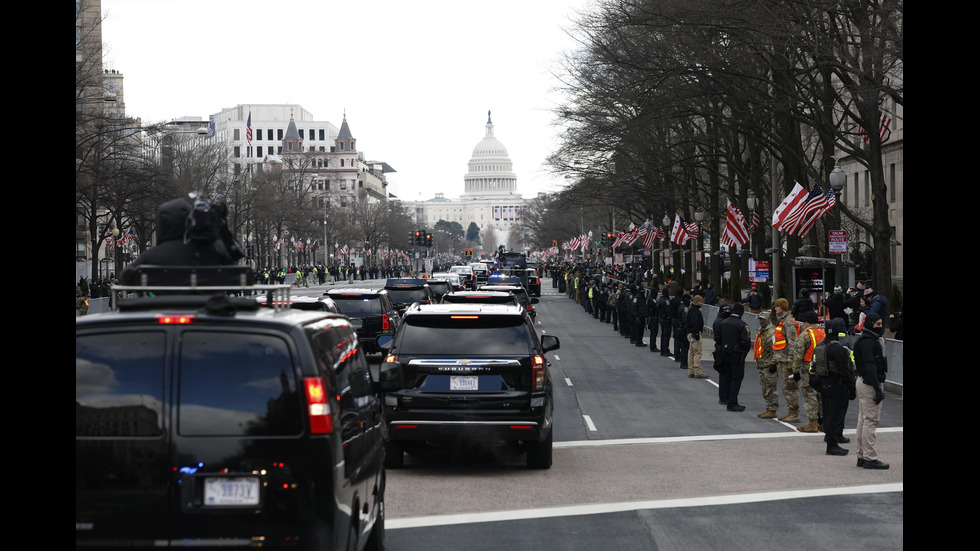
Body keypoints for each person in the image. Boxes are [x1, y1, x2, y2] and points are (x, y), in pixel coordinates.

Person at [121, 198, 231, 282]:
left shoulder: (152, 255)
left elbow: (125, 277)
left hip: (162, 308)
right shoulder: (214, 250)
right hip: (207, 307)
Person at [810, 318, 856, 456]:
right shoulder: (837, 348)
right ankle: (832, 444)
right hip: (836, 385)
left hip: (824, 384)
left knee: (827, 413)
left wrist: (818, 384)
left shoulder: (821, 345)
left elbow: (813, 367)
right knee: (834, 415)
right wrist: (851, 387)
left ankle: (829, 438)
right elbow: (844, 370)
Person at [853, 312, 889, 469]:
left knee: (863, 420)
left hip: (864, 382)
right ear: (870, 324)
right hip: (868, 383)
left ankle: (862, 456)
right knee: (870, 421)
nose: (880, 327)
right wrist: (877, 388)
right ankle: (869, 457)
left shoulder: (864, 340)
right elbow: (870, 365)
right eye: (878, 324)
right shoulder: (869, 342)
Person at [791, 311, 825, 433]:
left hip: (808, 369)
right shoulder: (824, 332)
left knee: (809, 396)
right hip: (822, 369)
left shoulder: (805, 335)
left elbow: (798, 355)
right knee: (821, 396)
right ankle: (823, 422)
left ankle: (812, 423)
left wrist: (795, 371)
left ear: (807, 322)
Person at [772, 298, 801, 423]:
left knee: (790, 387)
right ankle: (791, 412)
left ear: (783, 308)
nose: (775, 308)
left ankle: (794, 413)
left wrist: (791, 361)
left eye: (777, 306)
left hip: (787, 360)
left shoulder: (788, 323)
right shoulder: (782, 321)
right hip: (782, 359)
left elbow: (792, 343)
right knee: (786, 387)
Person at [719, 304, 752, 411]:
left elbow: (718, 338)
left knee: (726, 376)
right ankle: (732, 402)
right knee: (736, 378)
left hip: (724, 353)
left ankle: (725, 398)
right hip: (736, 354)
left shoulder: (723, 323)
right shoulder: (742, 325)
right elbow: (746, 342)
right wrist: (743, 352)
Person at [753, 311, 779, 418]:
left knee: (771, 388)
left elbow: (776, 349)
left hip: (769, 365)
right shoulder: (761, 332)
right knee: (765, 389)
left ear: (768, 319)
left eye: (763, 319)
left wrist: (774, 363)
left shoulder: (772, 333)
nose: (761, 321)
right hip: (761, 364)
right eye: (760, 319)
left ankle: (772, 409)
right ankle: (769, 408)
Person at [686, 295, 709, 378]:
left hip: (690, 334)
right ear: (697, 302)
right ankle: (697, 371)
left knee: (691, 351)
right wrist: (696, 333)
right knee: (697, 352)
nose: (702, 303)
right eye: (701, 302)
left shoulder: (691, 310)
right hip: (694, 333)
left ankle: (691, 371)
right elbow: (694, 322)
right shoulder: (695, 311)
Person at [657, 287, 673, 357]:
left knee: (663, 334)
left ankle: (662, 350)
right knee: (666, 335)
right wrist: (669, 317)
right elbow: (668, 310)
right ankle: (665, 349)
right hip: (666, 319)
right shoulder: (666, 301)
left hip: (661, 318)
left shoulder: (660, 299)